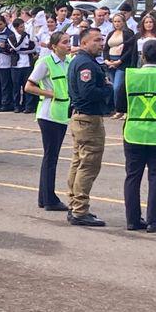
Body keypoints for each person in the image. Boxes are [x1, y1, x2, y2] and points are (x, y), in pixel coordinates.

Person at [121, 40, 156, 232]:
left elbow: (119, 103)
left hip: (134, 131)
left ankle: (132, 220)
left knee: (132, 176)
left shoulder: (130, 76)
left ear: (142, 56)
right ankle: (152, 221)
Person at [64, 28, 112, 227]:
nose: (101, 44)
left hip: (81, 117)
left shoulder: (83, 61)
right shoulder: (85, 64)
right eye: (96, 40)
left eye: (102, 40)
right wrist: (107, 88)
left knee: (78, 162)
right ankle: (79, 210)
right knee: (88, 164)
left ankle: (74, 204)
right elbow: (88, 92)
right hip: (88, 119)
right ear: (84, 43)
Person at [24, 31, 72, 212]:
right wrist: (50, 93)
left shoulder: (69, 62)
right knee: (50, 157)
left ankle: (44, 197)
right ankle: (50, 199)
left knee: (52, 156)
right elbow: (29, 86)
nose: (68, 45)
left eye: (69, 42)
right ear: (54, 46)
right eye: (64, 42)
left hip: (62, 113)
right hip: (48, 114)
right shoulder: (46, 62)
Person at [104, 12, 134, 112]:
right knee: (111, 86)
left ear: (124, 22)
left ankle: (119, 109)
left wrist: (119, 61)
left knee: (117, 87)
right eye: (115, 21)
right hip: (110, 62)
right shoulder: (111, 33)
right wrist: (106, 60)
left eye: (119, 21)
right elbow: (106, 48)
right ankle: (111, 108)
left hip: (122, 63)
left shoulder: (128, 33)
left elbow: (129, 49)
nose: (117, 23)